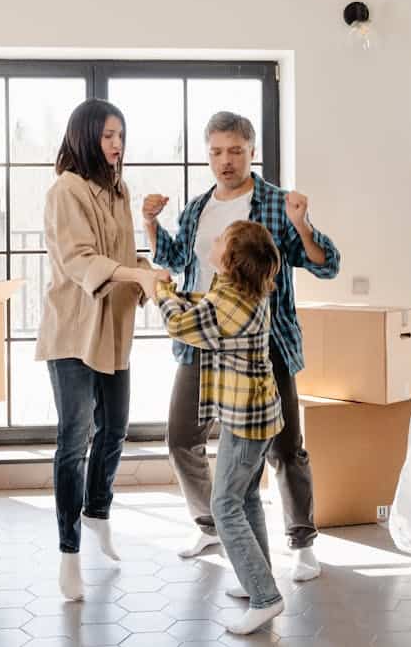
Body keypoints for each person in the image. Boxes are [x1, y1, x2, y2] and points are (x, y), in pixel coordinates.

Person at [144, 111, 341, 582]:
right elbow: (173, 258)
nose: (225, 161)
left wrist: (304, 226)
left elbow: (326, 264)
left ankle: (301, 540)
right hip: (206, 341)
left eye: (235, 150)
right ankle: (211, 523)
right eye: (215, 152)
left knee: (286, 446)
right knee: (181, 437)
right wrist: (150, 222)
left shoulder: (276, 205)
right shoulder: (197, 208)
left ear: (252, 151)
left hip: (264, 345)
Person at [37, 98, 168, 601]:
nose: (117, 144)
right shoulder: (64, 190)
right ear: (86, 136)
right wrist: (134, 274)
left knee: (115, 428)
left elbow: (117, 256)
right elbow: (78, 259)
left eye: (121, 136)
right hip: (73, 331)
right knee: (75, 440)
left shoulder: (119, 190)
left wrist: (148, 269)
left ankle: (97, 514)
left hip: (112, 329)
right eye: (109, 135)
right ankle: (68, 553)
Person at [155, 220, 286, 635]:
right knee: (245, 498)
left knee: (224, 506)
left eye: (221, 241)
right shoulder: (240, 290)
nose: (213, 243)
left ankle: (266, 597)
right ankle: (257, 583)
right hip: (253, 414)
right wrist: (174, 290)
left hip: (247, 420)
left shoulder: (231, 303)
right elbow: (204, 302)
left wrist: (159, 293)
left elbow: (181, 325)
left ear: (231, 260)